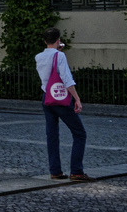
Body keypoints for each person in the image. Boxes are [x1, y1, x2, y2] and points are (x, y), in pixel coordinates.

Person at [37, 28, 94, 182]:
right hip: (61, 98)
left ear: (44, 41)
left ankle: (55, 171)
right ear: (58, 40)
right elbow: (67, 79)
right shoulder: (60, 56)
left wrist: (57, 51)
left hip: (46, 97)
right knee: (79, 133)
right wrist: (76, 98)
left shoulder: (39, 57)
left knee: (52, 135)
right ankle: (76, 171)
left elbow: (49, 72)